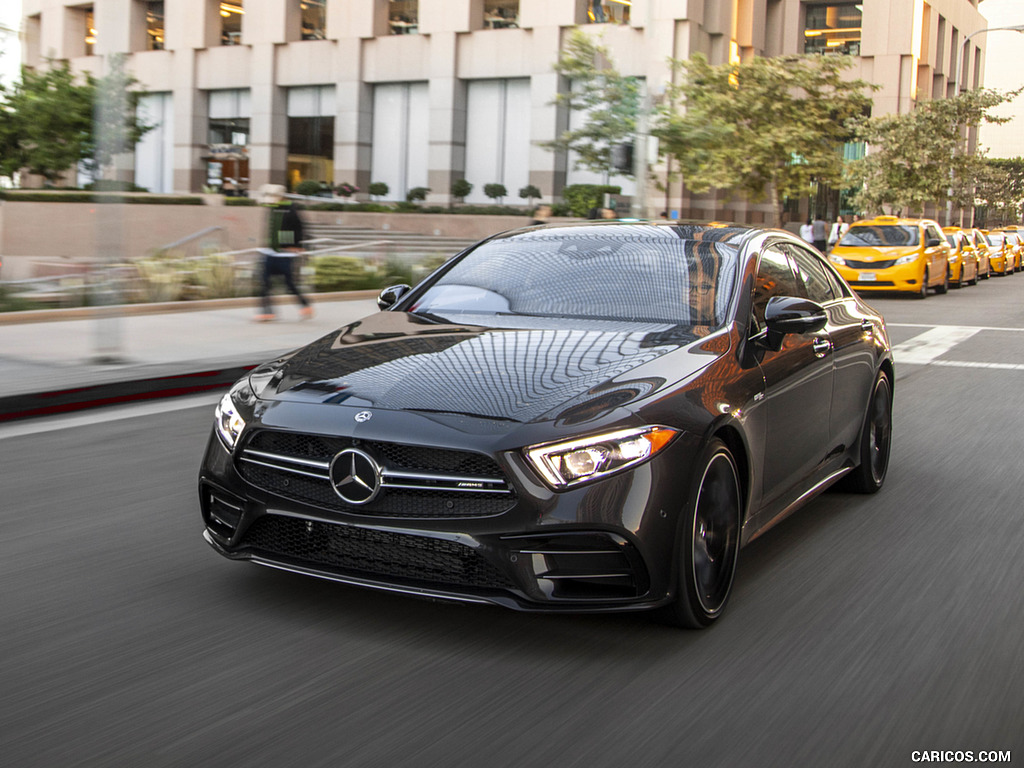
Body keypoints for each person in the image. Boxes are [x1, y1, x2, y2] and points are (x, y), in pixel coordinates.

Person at [255, 183, 314, 322]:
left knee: (289, 283)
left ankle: (305, 305)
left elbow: (300, 228)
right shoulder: (271, 209)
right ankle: (267, 312)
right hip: (271, 251)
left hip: (286, 253)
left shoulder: (291, 209)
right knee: (264, 281)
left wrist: (297, 245)